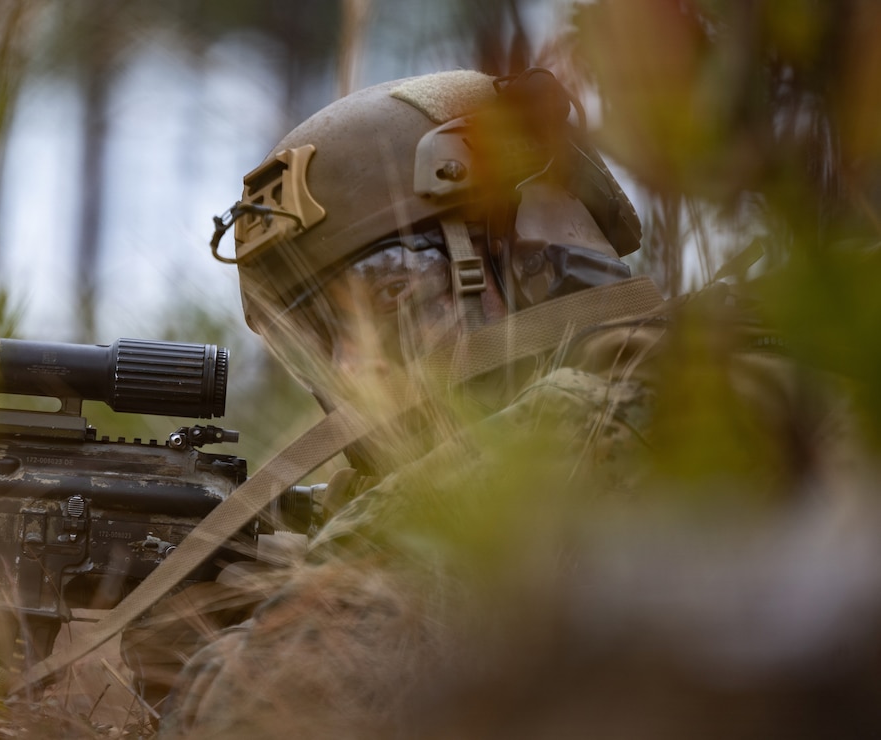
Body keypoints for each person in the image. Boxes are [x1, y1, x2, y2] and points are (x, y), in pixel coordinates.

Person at [155, 68, 874, 738]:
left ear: (532, 263)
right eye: (315, 337)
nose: (351, 364)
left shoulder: (609, 415)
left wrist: (206, 645)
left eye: (391, 299)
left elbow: (247, 712)